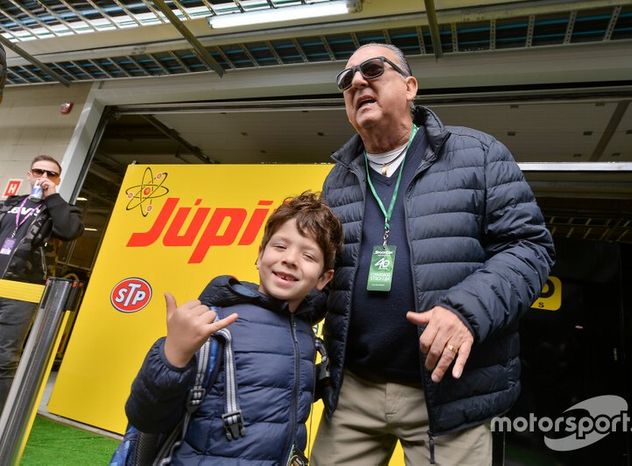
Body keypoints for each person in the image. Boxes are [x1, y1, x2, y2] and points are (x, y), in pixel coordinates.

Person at [312, 43, 555, 465]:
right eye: (345, 79)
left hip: (449, 394)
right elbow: (329, 278)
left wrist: (465, 312)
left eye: (371, 69)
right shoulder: (338, 179)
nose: (355, 82)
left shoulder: (477, 155)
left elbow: (530, 248)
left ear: (410, 87)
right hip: (353, 390)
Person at [124, 192, 343, 464]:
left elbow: (273, 397)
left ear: (324, 278)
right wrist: (173, 356)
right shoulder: (215, 323)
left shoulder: (304, 333)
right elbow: (146, 416)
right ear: (260, 255)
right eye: (280, 247)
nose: (290, 259)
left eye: (308, 255)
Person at [0, 155, 84, 411]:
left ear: (57, 179)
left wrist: (52, 197)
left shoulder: (61, 209)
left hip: (23, 292)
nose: (44, 178)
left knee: (4, 358)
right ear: (29, 174)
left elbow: (70, 231)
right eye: (39, 172)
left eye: (51, 174)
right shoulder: (8, 204)